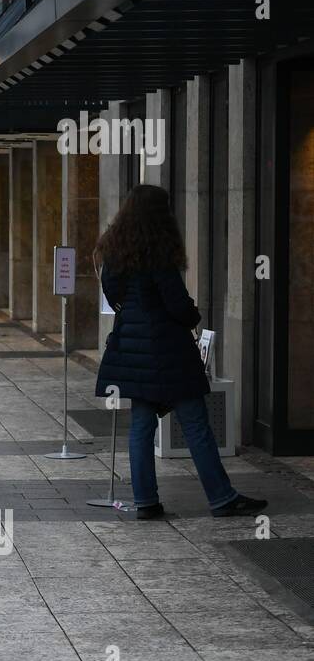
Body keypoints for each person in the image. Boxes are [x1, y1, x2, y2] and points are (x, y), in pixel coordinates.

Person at [94, 184, 266, 520]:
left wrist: (133, 316)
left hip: (132, 350)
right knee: (196, 424)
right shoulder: (158, 251)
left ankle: (146, 502)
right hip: (168, 352)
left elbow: (113, 294)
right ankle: (221, 497)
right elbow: (177, 304)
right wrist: (193, 315)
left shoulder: (113, 250)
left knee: (141, 427)